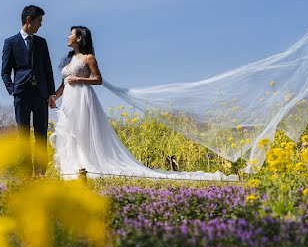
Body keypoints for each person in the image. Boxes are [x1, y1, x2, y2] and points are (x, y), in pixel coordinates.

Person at [51, 25, 234, 180]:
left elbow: (98, 80)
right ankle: (71, 166)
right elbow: (64, 82)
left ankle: (86, 164)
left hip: (83, 98)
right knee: (70, 131)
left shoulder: (88, 58)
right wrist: (54, 97)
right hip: (69, 99)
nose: (68, 37)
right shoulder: (69, 59)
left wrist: (79, 80)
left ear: (79, 38)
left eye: (71, 34)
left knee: (83, 131)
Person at [1, 5, 57, 175]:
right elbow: (5, 71)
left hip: (41, 94)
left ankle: (40, 173)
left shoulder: (42, 42)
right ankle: (26, 174)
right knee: (23, 134)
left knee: (41, 134)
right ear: (29, 20)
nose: (41, 25)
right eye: (39, 20)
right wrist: (12, 90)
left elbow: (48, 69)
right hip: (21, 95)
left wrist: (51, 93)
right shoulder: (10, 42)